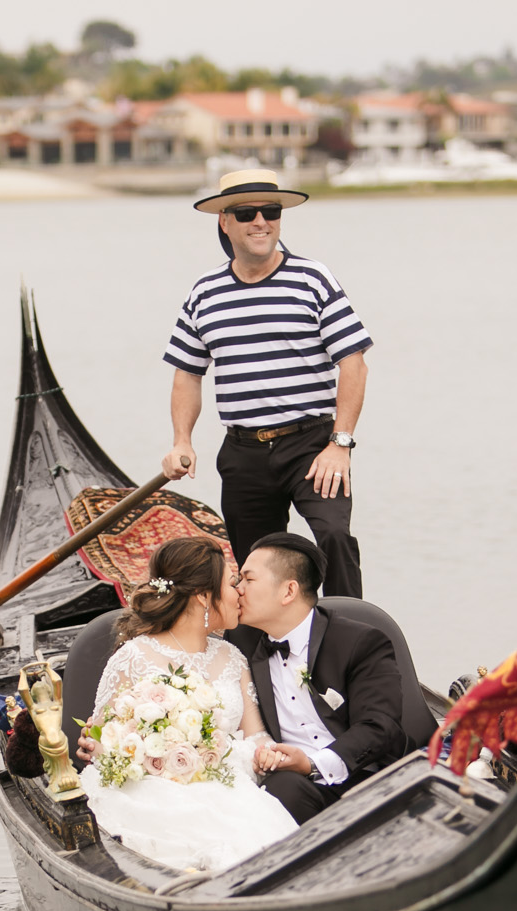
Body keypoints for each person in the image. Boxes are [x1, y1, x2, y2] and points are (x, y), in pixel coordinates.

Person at [159, 168, 374, 600]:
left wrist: (341, 444)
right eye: (246, 212)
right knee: (254, 561)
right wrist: (182, 440)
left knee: (332, 534)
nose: (260, 221)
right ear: (225, 221)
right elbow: (187, 372)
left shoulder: (313, 279)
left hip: (312, 445)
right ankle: (263, 653)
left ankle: (351, 634)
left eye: (270, 211)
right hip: (243, 453)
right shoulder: (205, 292)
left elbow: (353, 363)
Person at [75, 537, 298, 872]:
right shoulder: (133, 657)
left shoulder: (233, 658)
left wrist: (263, 752)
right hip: (148, 790)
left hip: (226, 786)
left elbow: (255, 735)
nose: (239, 591)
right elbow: (101, 736)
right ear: (203, 596)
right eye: (230, 583)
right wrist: (107, 746)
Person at [236, 532, 412, 824]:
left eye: (248, 580)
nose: (237, 589)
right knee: (278, 789)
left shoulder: (360, 641)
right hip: (289, 783)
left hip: (365, 776)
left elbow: (380, 726)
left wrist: (311, 764)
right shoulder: (240, 641)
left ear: (288, 591)